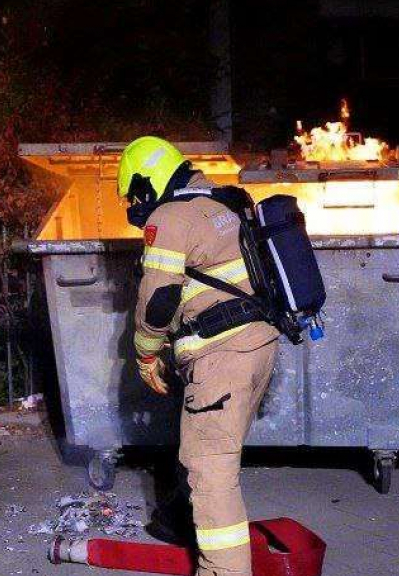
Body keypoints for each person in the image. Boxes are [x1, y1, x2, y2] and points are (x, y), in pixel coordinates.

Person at [118, 136, 280, 576]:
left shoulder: (170, 217)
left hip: (222, 356)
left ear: (146, 183)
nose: (136, 207)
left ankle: (223, 570)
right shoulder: (225, 200)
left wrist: (145, 355)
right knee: (210, 452)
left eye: (135, 196)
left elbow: (158, 301)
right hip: (259, 344)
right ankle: (176, 519)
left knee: (212, 475)